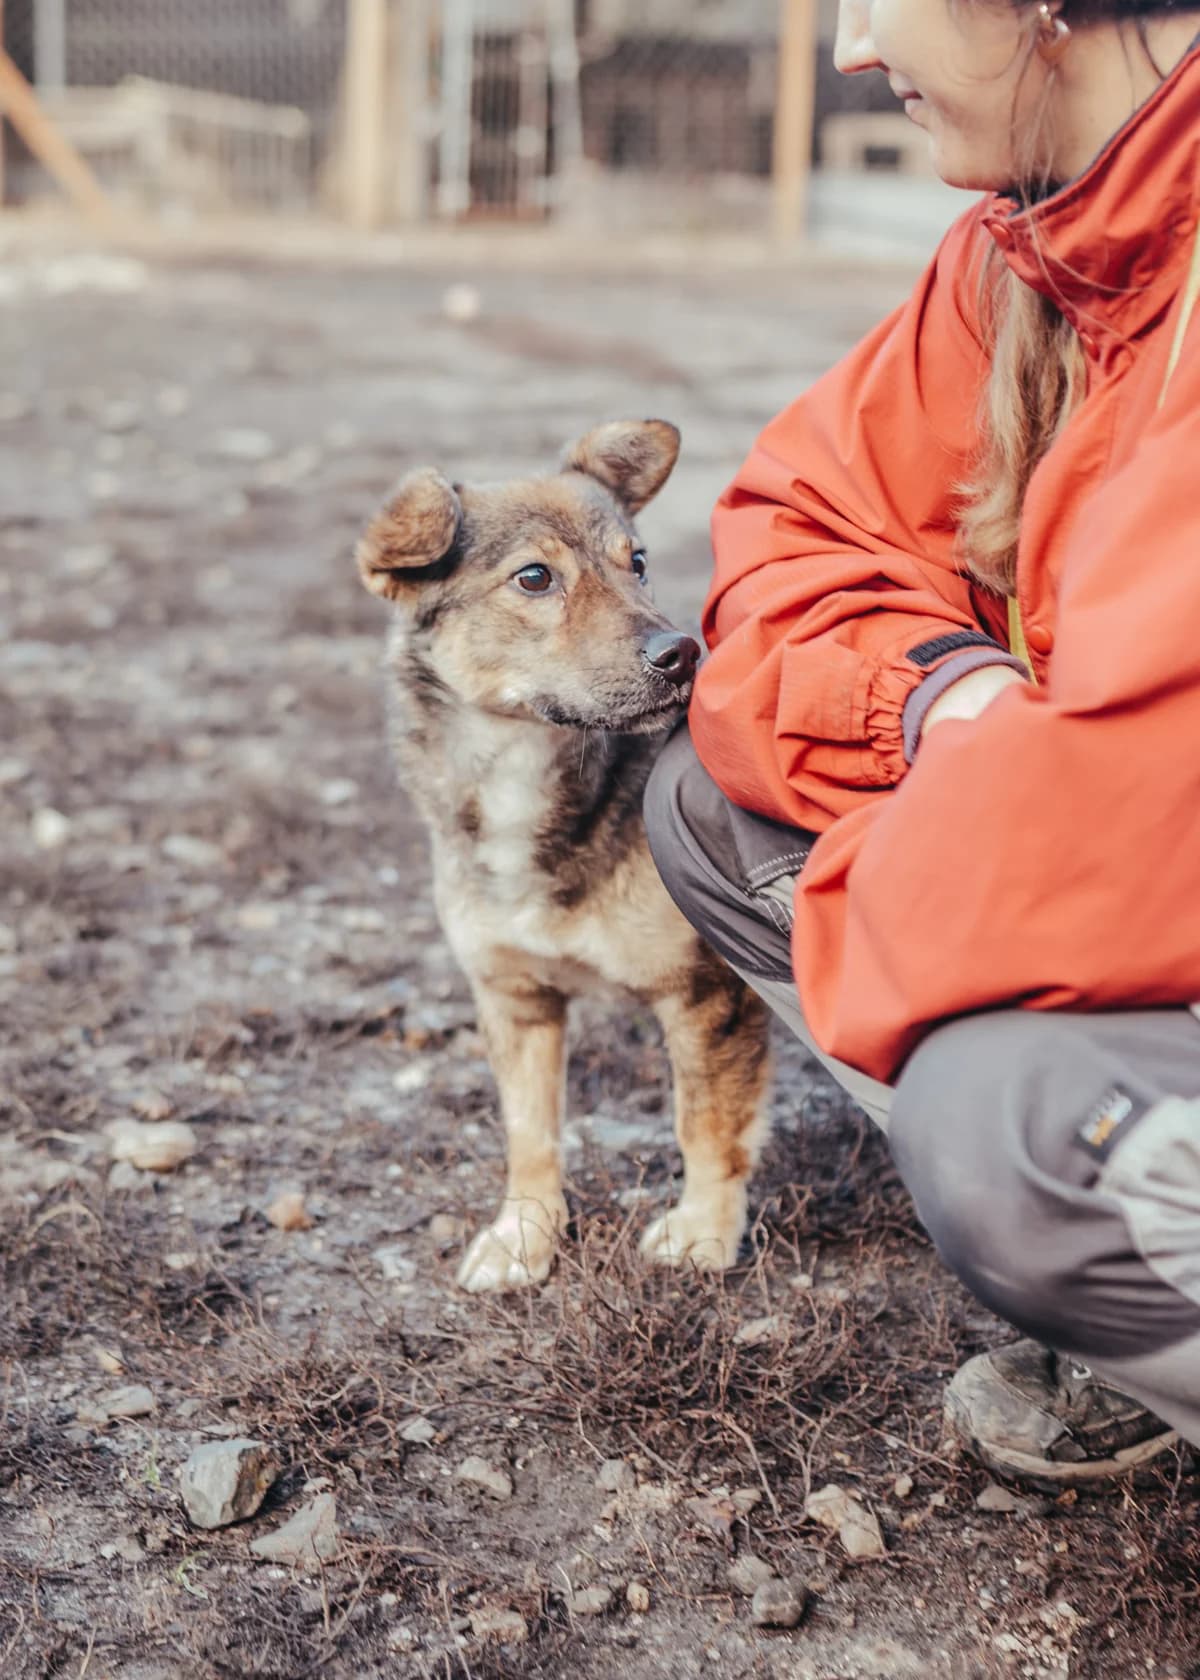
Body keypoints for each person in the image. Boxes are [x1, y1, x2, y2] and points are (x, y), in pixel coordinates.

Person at [644, 0, 1200, 1488]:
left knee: (1016, 1138)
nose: (846, 50)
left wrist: (917, 883)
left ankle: (1112, 1220)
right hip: (1092, 872)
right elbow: (786, 545)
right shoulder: (1029, 252)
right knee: (710, 809)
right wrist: (945, 699)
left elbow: (1136, 831)